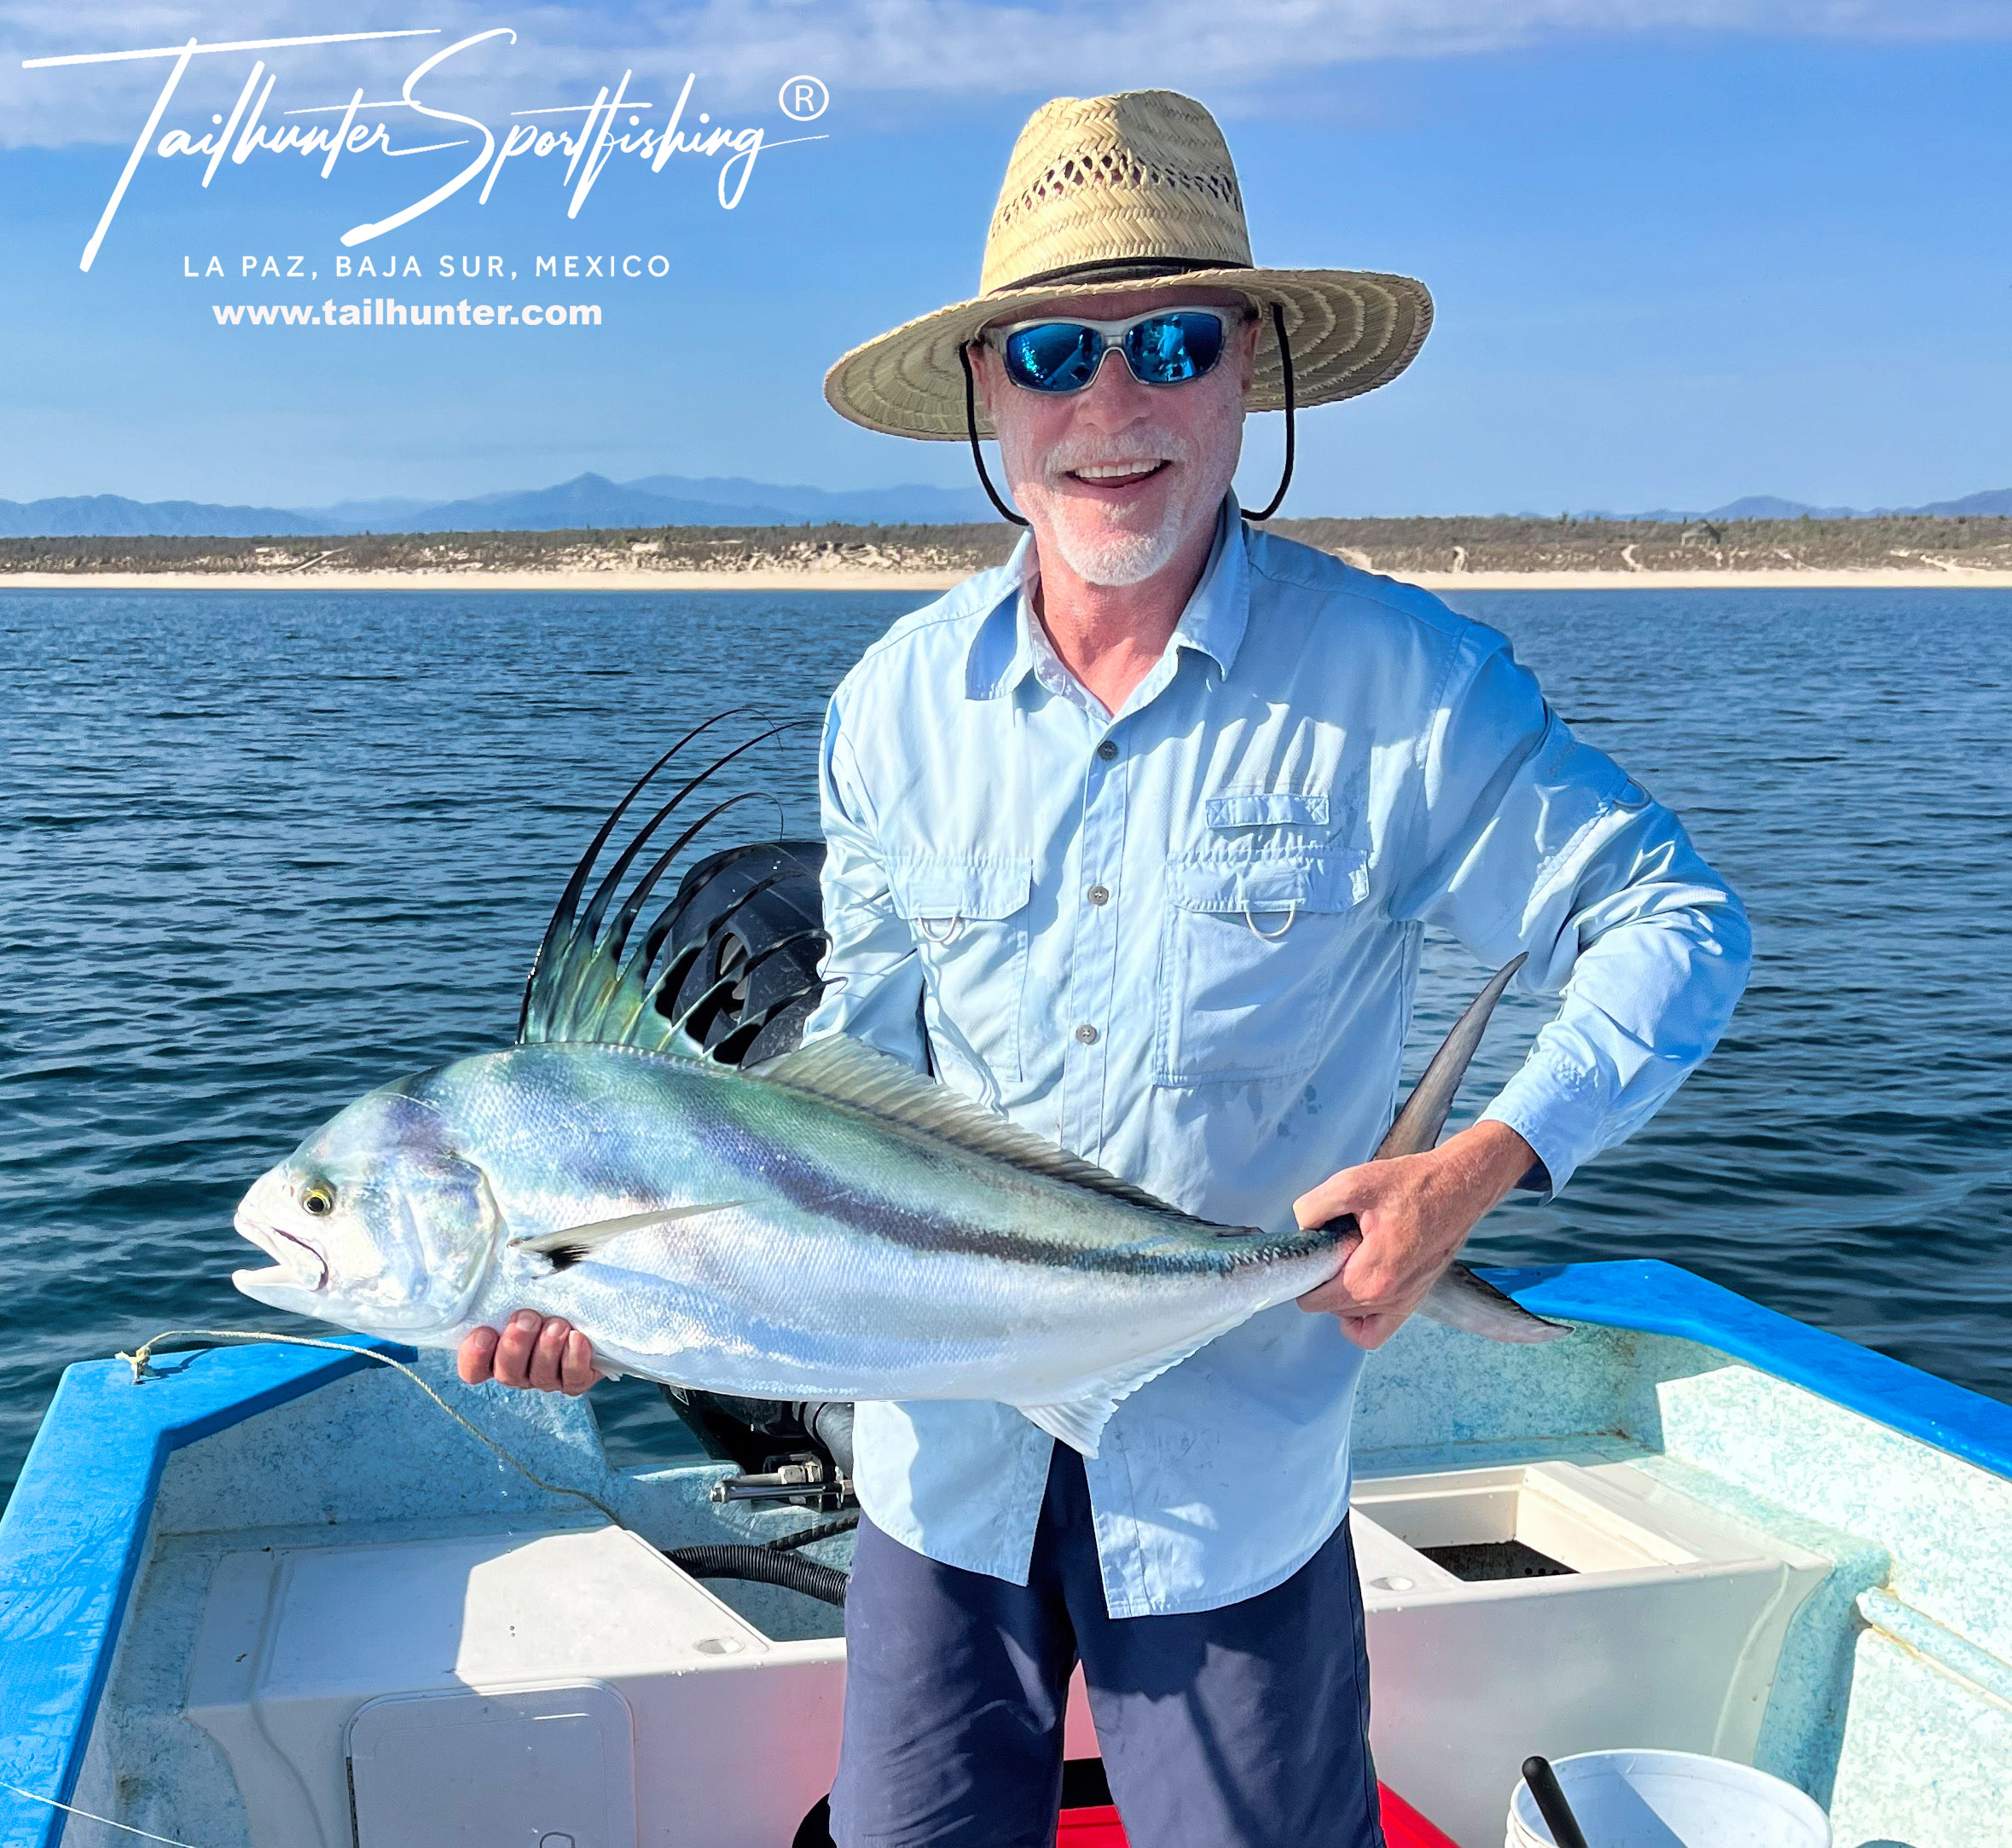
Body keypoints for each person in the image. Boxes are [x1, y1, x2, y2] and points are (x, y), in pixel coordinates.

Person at [461, 90, 1749, 1848]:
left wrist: (1478, 1165)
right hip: (940, 1467)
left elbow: (1675, 922)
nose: (1114, 408)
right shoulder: (893, 706)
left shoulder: (1405, 685)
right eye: (1056, 353)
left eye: (1174, 344)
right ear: (988, 393)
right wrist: (622, 1287)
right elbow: (855, 1074)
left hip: (1230, 1478)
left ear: (1250, 369)